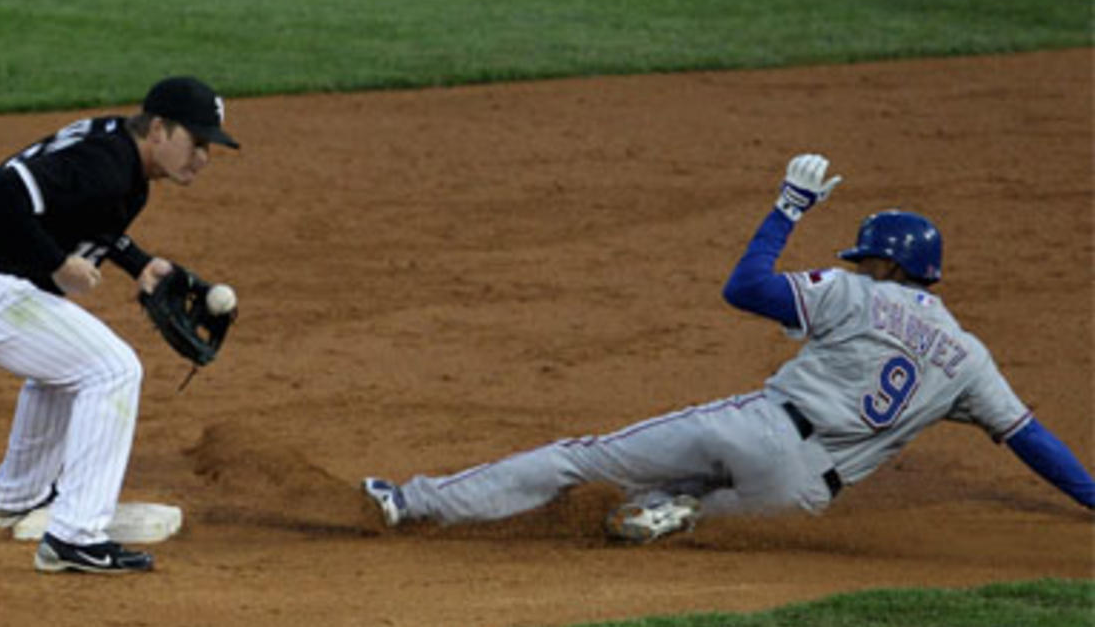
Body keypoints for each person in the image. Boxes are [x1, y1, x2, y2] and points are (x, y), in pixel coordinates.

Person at [361, 153, 1094, 543]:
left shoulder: (852, 292)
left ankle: (411, 503)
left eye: (865, 258)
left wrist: (788, 207)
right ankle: (677, 511)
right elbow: (1033, 441)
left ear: (888, 266)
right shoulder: (969, 357)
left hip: (763, 426)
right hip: (802, 498)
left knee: (577, 459)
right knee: (672, 503)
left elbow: (745, 288)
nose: (858, 265)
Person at [0, 76, 240, 572]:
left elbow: (85, 215)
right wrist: (57, 264)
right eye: (196, 142)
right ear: (159, 129)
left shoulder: (120, 154)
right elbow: (0, 191)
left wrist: (140, 265)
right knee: (113, 370)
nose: (203, 157)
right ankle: (75, 535)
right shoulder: (106, 165)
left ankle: (16, 498)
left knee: (66, 367)